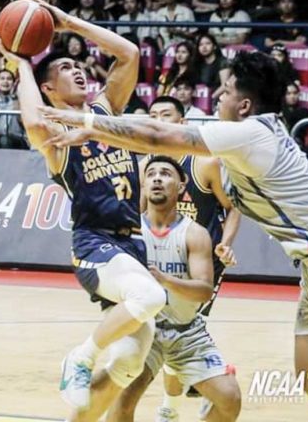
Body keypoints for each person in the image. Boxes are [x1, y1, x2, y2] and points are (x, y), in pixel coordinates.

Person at [41, 50, 308, 422]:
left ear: (245, 105)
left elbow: (157, 136)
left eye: (226, 90)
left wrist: (85, 122)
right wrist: (95, 136)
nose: (218, 95)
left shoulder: (250, 134)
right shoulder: (238, 144)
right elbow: (157, 145)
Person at [0, 0, 167, 421]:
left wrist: (68, 22)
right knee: (150, 296)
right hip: (94, 245)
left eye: (79, 66)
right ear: (49, 88)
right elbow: (34, 122)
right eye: (64, 70)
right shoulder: (55, 132)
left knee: (129, 364)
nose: (77, 70)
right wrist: (21, 64)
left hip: (133, 248)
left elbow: (128, 53)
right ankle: (80, 356)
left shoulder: (106, 113)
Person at [107, 155, 241, 422]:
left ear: (181, 187)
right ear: (143, 185)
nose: (157, 178)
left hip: (187, 332)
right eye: (152, 174)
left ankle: (171, 408)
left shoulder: (195, 233)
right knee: (121, 400)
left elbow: (204, 291)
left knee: (230, 399)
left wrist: (165, 280)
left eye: (166, 174)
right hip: (143, 328)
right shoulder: (128, 232)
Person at [143, 97, 241, 420]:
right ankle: (178, 400)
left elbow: (233, 207)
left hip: (200, 259)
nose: (159, 120)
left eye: (166, 115)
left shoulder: (203, 163)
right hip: (161, 254)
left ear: (182, 122)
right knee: (164, 329)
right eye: (153, 115)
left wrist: (225, 244)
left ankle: (178, 402)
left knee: (183, 328)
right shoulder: (148, 166)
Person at [279, 82, 308, 148]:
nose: (292, 96)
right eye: (288, 94)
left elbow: (292, 118)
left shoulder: (304, 111)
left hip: (297, 144)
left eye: (295, 93)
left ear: (299, 94)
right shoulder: (279, 110)